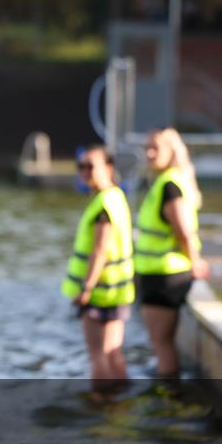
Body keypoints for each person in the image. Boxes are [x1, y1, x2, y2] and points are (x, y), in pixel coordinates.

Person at [134, 128, 210, 377]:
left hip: (165, 275)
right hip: (160, 272)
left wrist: (195, 262)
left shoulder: (169, 186)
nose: (150, 153)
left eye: (156, 148)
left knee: (161, 344)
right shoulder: (167, 181)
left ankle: (167, 396)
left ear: (172, 152)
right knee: (161, 343)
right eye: (147, 148)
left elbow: (183, 230)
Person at [61, 146, 134, 388]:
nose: (85, 171)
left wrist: (86, 288)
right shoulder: (116, 196)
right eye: (81, 166)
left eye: (91, 166)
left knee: (97, 354)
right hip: (117, 289)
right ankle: (122, 397)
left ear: (109, 168)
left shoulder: (103, 204)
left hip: (99, 290)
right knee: (113, 351)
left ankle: (102, 403)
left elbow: (100, 249)